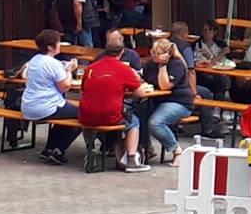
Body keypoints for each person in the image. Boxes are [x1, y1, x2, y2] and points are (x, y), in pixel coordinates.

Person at [77, 32, 144, 170]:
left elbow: (83, 89)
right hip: (110, 116)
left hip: (86, 116)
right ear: (122, 52)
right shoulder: (124, 69)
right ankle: (131, 159)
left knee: (87, 120)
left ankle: (91, 149)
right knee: (134, 121)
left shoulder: (90, 68)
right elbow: (140, 93)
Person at [19, 29, 79, 164]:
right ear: (51, 47)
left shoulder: (34, 60)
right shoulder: (53, 64)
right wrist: (69, 70)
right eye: (58, 43)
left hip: (28, 106)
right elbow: (65, 87)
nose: (60, 45)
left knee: (65, 113)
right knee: (82, 115)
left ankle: (49, 149)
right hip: (45, 107)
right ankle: (58, 150)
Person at [139, 33, 197, 161]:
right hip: (157, 100)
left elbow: (164, 86)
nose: (153, 55)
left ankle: (177, 150)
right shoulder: (151, 63)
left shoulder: (176, 65)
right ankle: (145, 147)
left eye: (156, 53)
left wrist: (163, 66)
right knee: (137, 114)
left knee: (155, 123)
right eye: (153, 51)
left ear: (167, 55)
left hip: (179, 102)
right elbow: (143, 75)